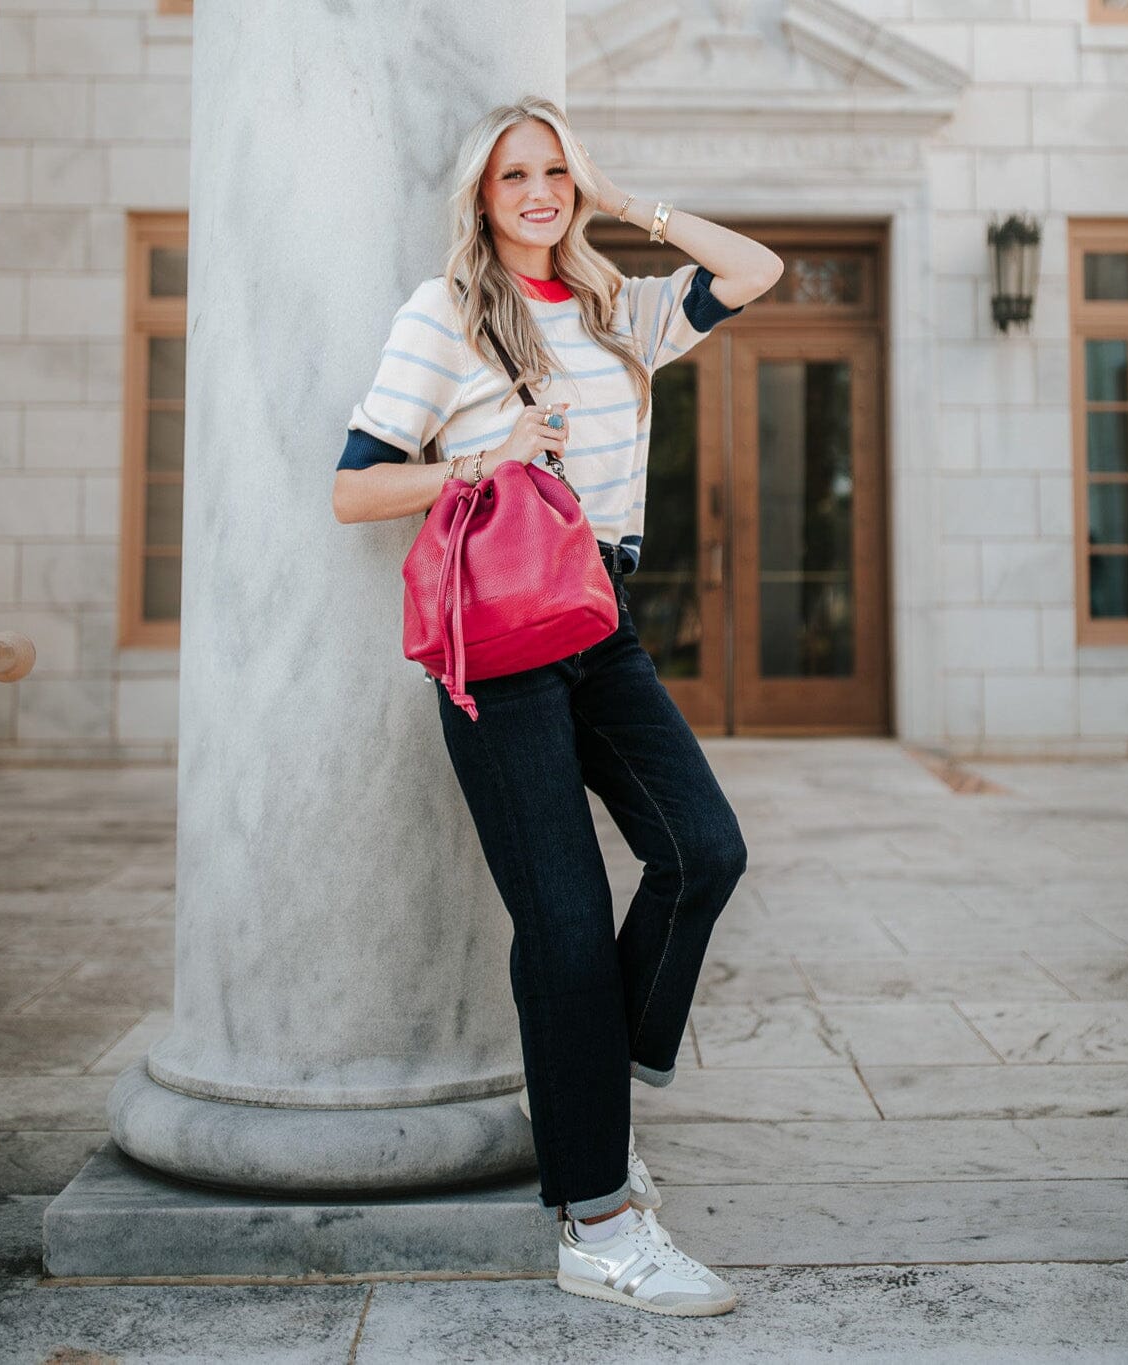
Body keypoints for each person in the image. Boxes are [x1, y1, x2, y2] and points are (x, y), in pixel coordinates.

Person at [331, 96, 782, 1316]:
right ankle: (597, 1222)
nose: (535, 191)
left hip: (604, 621)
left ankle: (584, 1097)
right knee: (569, 927)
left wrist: (628, 204)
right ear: (481, 199)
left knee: (703, 851)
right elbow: (352, 490)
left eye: (554, 171)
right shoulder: (445, 314)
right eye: (511, 175)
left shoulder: (617, 311)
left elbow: (756, 269)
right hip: (499, 639)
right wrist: (486, 455)